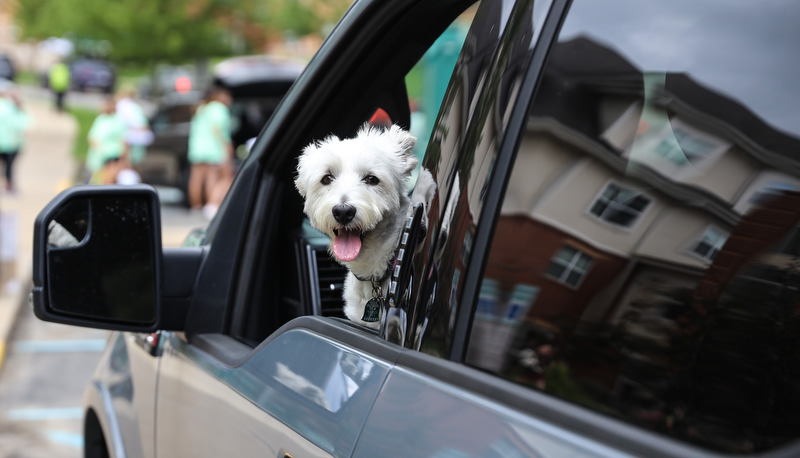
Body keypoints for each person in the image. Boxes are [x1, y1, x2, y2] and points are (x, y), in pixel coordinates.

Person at [187, 86, 233, 215]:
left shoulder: (201, 108)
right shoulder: (219, 108)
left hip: (197, 148)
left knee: (196, 178)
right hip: (213, 148)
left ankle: (195, 206)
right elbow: (217, 129)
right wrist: (226, 145)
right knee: (212, 177)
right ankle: (210, 206)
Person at [86, 96, 129, 184]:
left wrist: (123, 158)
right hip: (100, 156)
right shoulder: (100, 119)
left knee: (109, 179)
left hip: (112, 156)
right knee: (96, 180)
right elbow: (92, 137)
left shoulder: (118, 121)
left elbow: (123, 140)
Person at [0, 83, 31, 193]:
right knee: (9, 166)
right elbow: (22, 125)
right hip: (11, 142)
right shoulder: (13, 107)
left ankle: (8, 183)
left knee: (8, 166)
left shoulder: (8, 106)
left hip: (7, 142)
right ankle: (9, 184)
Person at [115, 86, 153, 167]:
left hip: (129, 138)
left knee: (127, 163)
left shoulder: (124, 105)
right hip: (134, 138)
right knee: (135, 164)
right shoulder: (135, 107)